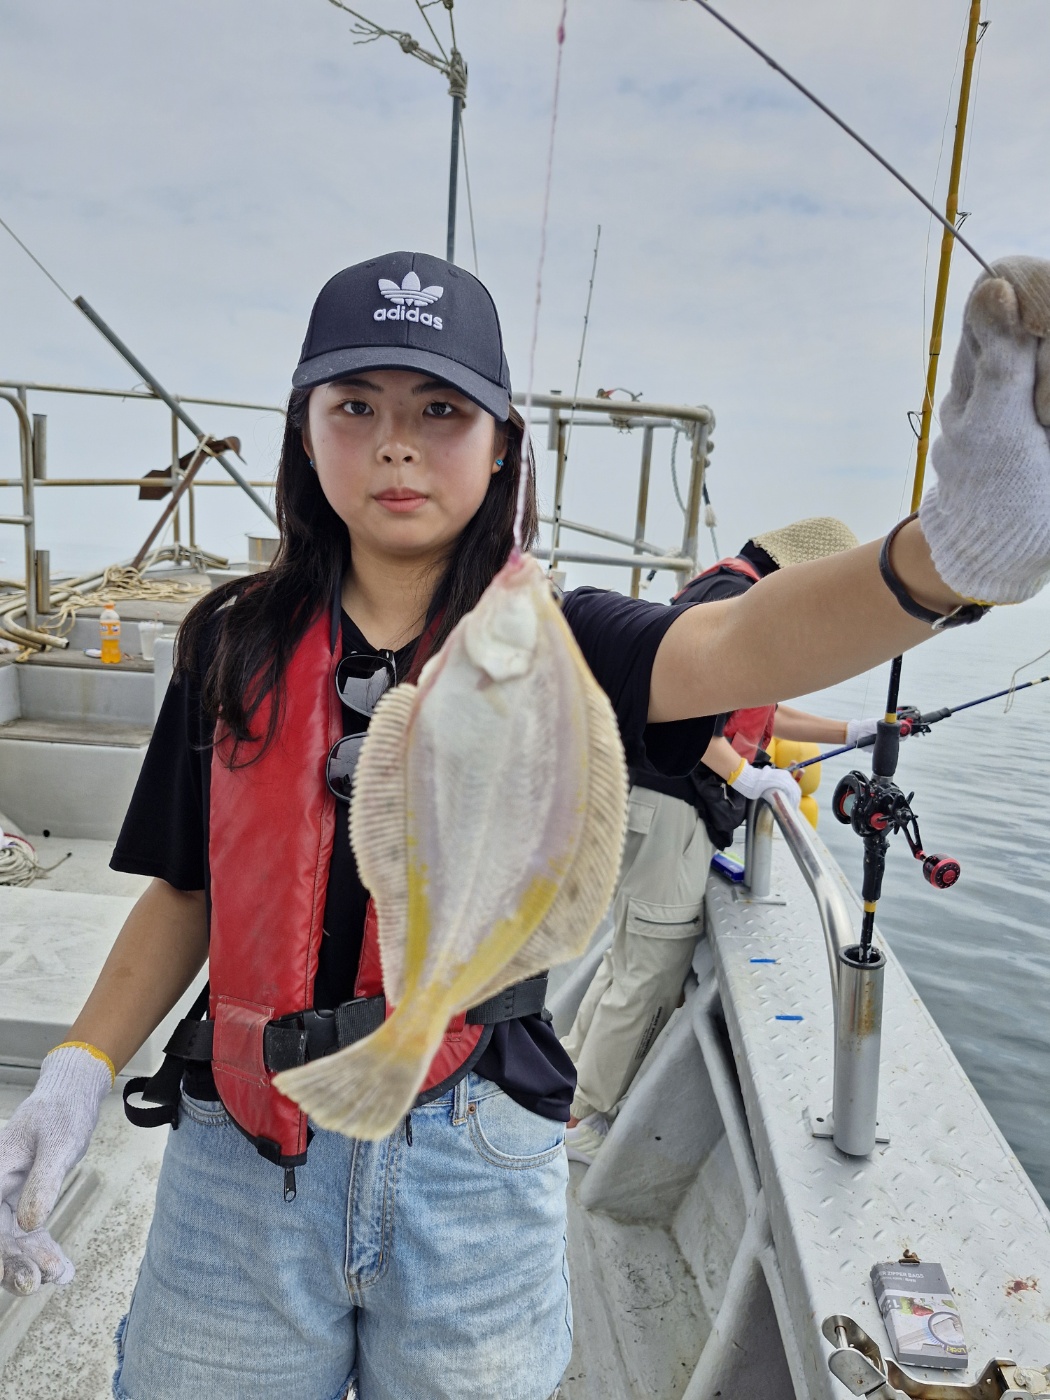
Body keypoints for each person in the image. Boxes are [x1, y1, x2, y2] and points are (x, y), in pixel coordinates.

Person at [0, 250, 1047, 1400]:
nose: (397, 441)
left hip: (473, 1149)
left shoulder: (561, 636)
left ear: (501, 440)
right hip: (243, 1162)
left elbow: (738, 643)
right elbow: (184, 890)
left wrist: (947, 555)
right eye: (357, 405)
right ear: (305, 429)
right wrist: (78, 1067)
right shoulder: (228, 643)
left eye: (440, 409)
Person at [561, 518, 892, 1165]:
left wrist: (853, 729)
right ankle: (584, 1121)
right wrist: (745, 774)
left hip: (647, 806)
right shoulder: (734, 600)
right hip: (672, 812)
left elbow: (761, 710)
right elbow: (683, 705)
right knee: (651, 972)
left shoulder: (730, 593)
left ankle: (565, 1087)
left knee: (627, 958)